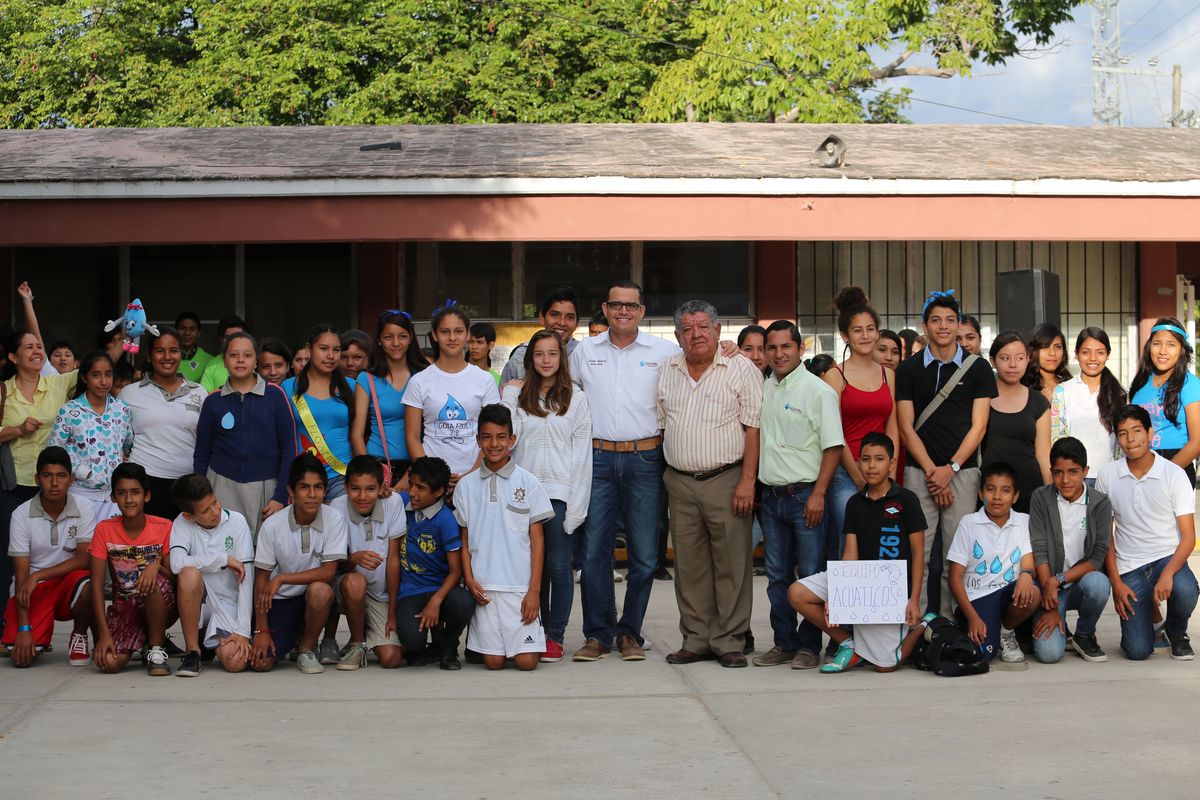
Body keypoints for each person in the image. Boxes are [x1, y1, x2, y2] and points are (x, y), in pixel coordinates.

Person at [568, 279, 679, 663]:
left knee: (645, 555)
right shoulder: (585, 352)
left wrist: (729, 348)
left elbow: (700, 365)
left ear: (641, 311)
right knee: (593, 553)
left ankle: (630, 632)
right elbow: (565, 397)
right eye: (616, 305)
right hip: (597, 458)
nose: (623, 311)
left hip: (645, 459)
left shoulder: (664, 352)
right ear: (605, 309)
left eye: (631, 305)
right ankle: (598, 634)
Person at [657, 301, 762, 668]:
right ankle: (696, 638)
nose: (696, 334)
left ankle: (730, 640)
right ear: (677, 336)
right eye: (687, 329)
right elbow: (663, 424)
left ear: (718, 331)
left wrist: (747, 481)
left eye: (703, 327)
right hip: (680, 482)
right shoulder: (667, 370)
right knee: (689, 567)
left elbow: (753, 428)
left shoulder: (740, 368)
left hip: (727, 479)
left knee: (732, 564)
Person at [788, 433, 929, 673]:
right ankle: (848, 644)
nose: (872, 465)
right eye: (865, 459)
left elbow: (918, 554)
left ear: (892, 463)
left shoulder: (907, 500)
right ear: (858, 462)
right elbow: (850, 554)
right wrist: (837, 594)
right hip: (859, 583)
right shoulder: (854, 503)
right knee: (797, 593)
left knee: (884, 667)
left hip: (890, 591)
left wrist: (913, 600)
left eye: (879, 459)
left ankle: (924, 625)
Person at [895, 290, 996, 617]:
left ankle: (952, 626)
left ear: (958, 324)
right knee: (918, 554)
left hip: (963, 474)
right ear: (924, 326)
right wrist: (932, 472)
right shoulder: (908, 369)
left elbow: (979, 427)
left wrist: (949, 469)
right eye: (936, 320)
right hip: (919, 473)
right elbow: (906, 426)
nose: (943, 326)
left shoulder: (978, 368)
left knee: (957, 555)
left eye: (950, 320)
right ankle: (916, 624)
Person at [752, 320, 844, 670]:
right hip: (771, 498)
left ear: (800, 349)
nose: (778, 354)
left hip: (806, 497)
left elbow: (833, 447)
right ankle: (784, 643)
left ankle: (809, 645)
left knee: (810, 574)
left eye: (785, 347)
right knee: (776, 576)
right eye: (772, 348)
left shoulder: (818, 391)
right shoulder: (764, 388)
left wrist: (819, 493)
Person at [501, 330, 592, 663]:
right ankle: (533, 631)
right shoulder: (518, 395)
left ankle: (555, 636)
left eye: (552, 354)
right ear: (530, 360)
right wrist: (510, 395)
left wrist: (577, 506)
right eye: (539, 354)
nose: (545, 360)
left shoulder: (576, 399)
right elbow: (508, 438)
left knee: (558, 566)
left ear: (561, 358)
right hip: (522, 494)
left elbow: (582, 457)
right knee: (529, 568)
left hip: (558, 496)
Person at [1096, 405, 1198, 661]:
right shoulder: (1107, 475)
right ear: (1117, 439)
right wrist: (1116, 583)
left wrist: (1168, 573)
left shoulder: (1174, 474)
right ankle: (1151, 626)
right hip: (1129, 566)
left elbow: (1188, 537)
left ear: (1150, 433)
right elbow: (1105, 536)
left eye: (1137, 431)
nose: (1130, 439)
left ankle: (1177, 633)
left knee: (1187, 589)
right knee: (1137, 651)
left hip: (1166, 558)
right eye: (1123, 433)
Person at [456, 405, 554, 671]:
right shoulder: (465, 486)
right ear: (478, 440)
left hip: (519, 588)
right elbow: (464, 541)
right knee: (493, 663)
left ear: (512, 440)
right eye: (487, 437)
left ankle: (519, 644)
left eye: (501, 437)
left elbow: (538, 542)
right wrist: (469, 579)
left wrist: (534, 591)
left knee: (527, 663)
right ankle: (498, 645)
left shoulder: (528, 482)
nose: (494, 444)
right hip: (484, 588)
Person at [0, 326, 79, 630]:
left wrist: (127, 334)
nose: (37, 351)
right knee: (7, 558)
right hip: (13, 486)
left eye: (38, 347)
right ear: (13, 357)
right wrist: (17, 430)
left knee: (56, 557)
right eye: (29, 347)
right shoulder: (3, 391)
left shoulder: (56, 384)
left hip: (51, 489)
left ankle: (37, 625)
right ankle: (6, 625)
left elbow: (97, 366)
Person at [250, 453, 349, 674]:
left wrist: (282, 578)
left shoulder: (334, 518)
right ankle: (293, 637)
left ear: (325, 490)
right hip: (282, 599)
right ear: (291, 491)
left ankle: (307, 648)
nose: (312, 495)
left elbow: (329, 572)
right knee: (261, 663)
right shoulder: (272, 525)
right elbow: (261, 580)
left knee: (320, 591)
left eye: (318, 487)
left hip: (313, 597)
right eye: (304, 487)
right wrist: (261, 630)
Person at [193, 332, 294, 539]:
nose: (240, 360)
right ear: (224, 360)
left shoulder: (275, 395)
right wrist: (203, 494)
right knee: (224, 546)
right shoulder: (213, 401)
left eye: (247, 355)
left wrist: (281, 495)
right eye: (233, 355)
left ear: (256, 360)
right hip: (221, 486)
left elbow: (289, 449)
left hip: (266, 489)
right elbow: (202, 453)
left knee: (264, 550)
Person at [2, 447, 96, 667]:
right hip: (33, 591)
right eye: (47, 476)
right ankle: (35, 635)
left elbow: (85, 559)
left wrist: (39, 575)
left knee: (88, 581)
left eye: (61, 476)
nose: (54, 483)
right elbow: (22, 577)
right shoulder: (21, 514)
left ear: (71, 479)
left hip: (67, 586)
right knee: (22, 657)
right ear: (37, 479)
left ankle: (79, 636)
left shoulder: (84, 507)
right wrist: (24, 629)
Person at [822, 288, 898, 559]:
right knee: (849, 545)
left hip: (882, 469)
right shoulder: (835, 376)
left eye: (870, 329)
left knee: (883, 544)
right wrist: (857, 475)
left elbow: (892, 425)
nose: (865, 336)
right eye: (857, 330)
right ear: (845, 336)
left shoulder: (888, 375)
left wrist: (890, 466)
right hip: (846, 472)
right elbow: (833, 432)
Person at [946, 461, 1040, 667]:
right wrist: (972, 617)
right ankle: (981, 628)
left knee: (1032, 592)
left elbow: (1027, 560)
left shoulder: (1024, 521)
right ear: (981, 493)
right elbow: (954, 578)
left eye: (1005, 491)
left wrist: (1026, 574)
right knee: (984, 655)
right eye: (990, 489)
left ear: (1015, 496)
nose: (997, 496)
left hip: (1007, 593)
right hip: (976, 597)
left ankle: (1006, 631)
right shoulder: (969, 523)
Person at [1028, 437, 1112, 664]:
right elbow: (1039, 549)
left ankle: (1084, 635)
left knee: (1099, 583)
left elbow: (1097, 557)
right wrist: (1049, 593)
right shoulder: (1040, 497)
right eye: (1058, 473)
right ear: (1051, 472)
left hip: (1077, 583)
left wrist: (1058, 580)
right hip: (1047, 584)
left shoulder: (1100, 503)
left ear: (1086, 471)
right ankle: (1061, 625)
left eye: (1073, 472)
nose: (1065, 480)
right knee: (1049, 654)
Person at [88, 463, 177, 676]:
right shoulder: (104, 529)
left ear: (147, 496)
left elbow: (175, 577)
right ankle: (143, 640)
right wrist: (103, 635)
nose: (129, 499)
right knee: (109, 663)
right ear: (113, 497)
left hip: (162, 605)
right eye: (122, 493)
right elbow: (96, 587)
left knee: (153, 583)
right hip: (126, 607)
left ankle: (156, 649)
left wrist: (155, 567)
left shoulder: (164, 526)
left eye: (135, 492)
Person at [404, 304, 500, 490]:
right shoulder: (419, 381)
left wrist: (471, 475)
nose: (452, 337)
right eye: (445, 332)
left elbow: (492, 434)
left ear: (467, 335)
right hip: (430, 483)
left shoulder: (485, 380)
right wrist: (433, 477)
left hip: (477, 477)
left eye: (458, 331)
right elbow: (412, 437)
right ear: (434, 335)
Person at [168, 474, 255, 676]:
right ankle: (193, 651)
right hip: (199, 603)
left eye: (215, 502)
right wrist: (222, 560)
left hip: (228, 603)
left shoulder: (237, 522)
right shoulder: (181, 523)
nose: (215, 512)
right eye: (206, 510)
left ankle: (209, 639)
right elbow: (176, 564)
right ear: (189, 516)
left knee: (236, 662)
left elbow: (247, 578)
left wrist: (242, 631)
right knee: (188, 574)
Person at [121, 327, 208, 519]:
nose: (167, 357)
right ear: (149, 356)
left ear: (180, 354)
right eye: (160, 351)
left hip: (188, 485)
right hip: (145, 483)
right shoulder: (129, 393)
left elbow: (207, 440)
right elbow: (118, 440)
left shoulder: (199, 392)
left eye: (173, 350)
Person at [397, 456, 475, 670]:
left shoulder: (446, 520)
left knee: (463, 602)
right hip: (410, 591)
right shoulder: (401, 503)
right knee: (413, 645)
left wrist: (436, 600)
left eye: (421, 488)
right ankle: (423, 647)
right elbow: (384, 497)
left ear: (439, 491)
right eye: (411, 484)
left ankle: (447, 645)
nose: (412, 492)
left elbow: (456, 571)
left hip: (441, 589)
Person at [329, 456, 407, 670]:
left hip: (380, 595)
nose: (363, 496)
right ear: (345, 488)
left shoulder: (393, 503)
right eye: (355, 489)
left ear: (382, 488)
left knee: (391, 658)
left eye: (371, 489)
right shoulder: (337, 507)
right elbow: (334, 566)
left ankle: (366, 629)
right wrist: (353, 559)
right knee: (355, 582)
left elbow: (393, 559)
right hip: (348, 589)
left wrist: (392, 612)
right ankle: (358, 644)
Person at [47, 351, 132, 523]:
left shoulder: (122, 409)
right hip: (80, 494)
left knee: (112, 540)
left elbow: (128, 446)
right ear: (84, 378)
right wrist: (81, 472)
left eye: (108, 374)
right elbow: (54, 453)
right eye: (96, 375)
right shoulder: (70, 411)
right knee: (82, 540)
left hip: (115, 497)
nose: (103, 381)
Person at [351, 310, 426, 487]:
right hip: (378, 464)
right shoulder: (366, 379)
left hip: (419, 464)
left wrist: (414, 471)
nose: (396, 343)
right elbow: (357, 433)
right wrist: (370, 475)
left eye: (402, 336)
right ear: (379, 340)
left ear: (410, 338)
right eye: (388, 337)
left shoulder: (424, 375)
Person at [281, 325, 356, 499]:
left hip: (342, 475)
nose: (331, 356)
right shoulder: (288, 387)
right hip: (303, 477)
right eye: (323, 348)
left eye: (336, 350)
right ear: (309, 349)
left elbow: (359, 433)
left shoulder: (352, 386)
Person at [981, 331, 1051, 514]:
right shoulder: (981, 398)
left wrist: (1050, 495)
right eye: (1005, 358)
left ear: (1027, 360)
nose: (1013, 364)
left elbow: (1044, 454)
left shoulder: (1039, 402)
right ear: (992, 361)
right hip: (989, 490)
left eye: (1019, 358)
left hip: (1029, 490)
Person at [1128, 316, 1200, 487]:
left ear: (1182, 349)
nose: (1162, 351)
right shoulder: (1140, 384)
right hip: (1140, 465)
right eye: (1157, 343)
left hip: (1175, 466)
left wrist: (1163, 472)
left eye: (1171, 344)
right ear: (1149, 347)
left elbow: (1197, 441)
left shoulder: (1190, 384)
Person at [1050, 328, 1126, 476]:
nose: (1093, 358)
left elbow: (1121, 444)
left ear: (1108, 355)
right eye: (1086, 352)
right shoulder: (1062, 391)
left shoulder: (1121, 394)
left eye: (1100, 352)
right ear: (1076, 354)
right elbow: (1057, 439)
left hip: (1110, 477)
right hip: (1073, 479)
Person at [500, 288, 580, 384]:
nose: (562, 323)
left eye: (570, 317)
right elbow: (504, 391)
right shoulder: (521, 355)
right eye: (555, 315)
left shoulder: (584, 354)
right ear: (542, 317)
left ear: (577, 323)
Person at [199, 315, 249, 393]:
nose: (232, 341)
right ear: (221, 339)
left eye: (237, 336)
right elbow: (205, 397)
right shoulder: (211, 366)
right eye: (228, 337)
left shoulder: (254, 362)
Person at [1023, 323, 1071, 403]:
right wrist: (1041, 405)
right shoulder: (1023, 387)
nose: (1052, 353)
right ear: (1033, 351)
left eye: (1057, 347)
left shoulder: (1071, 384)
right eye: (1045, 347)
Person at [175, 311, 213, 383]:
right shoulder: (168, 357)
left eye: (192, 329)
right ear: (175, 331)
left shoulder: (209, 360)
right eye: (182, 328)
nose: (187, 333)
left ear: (198, 333)